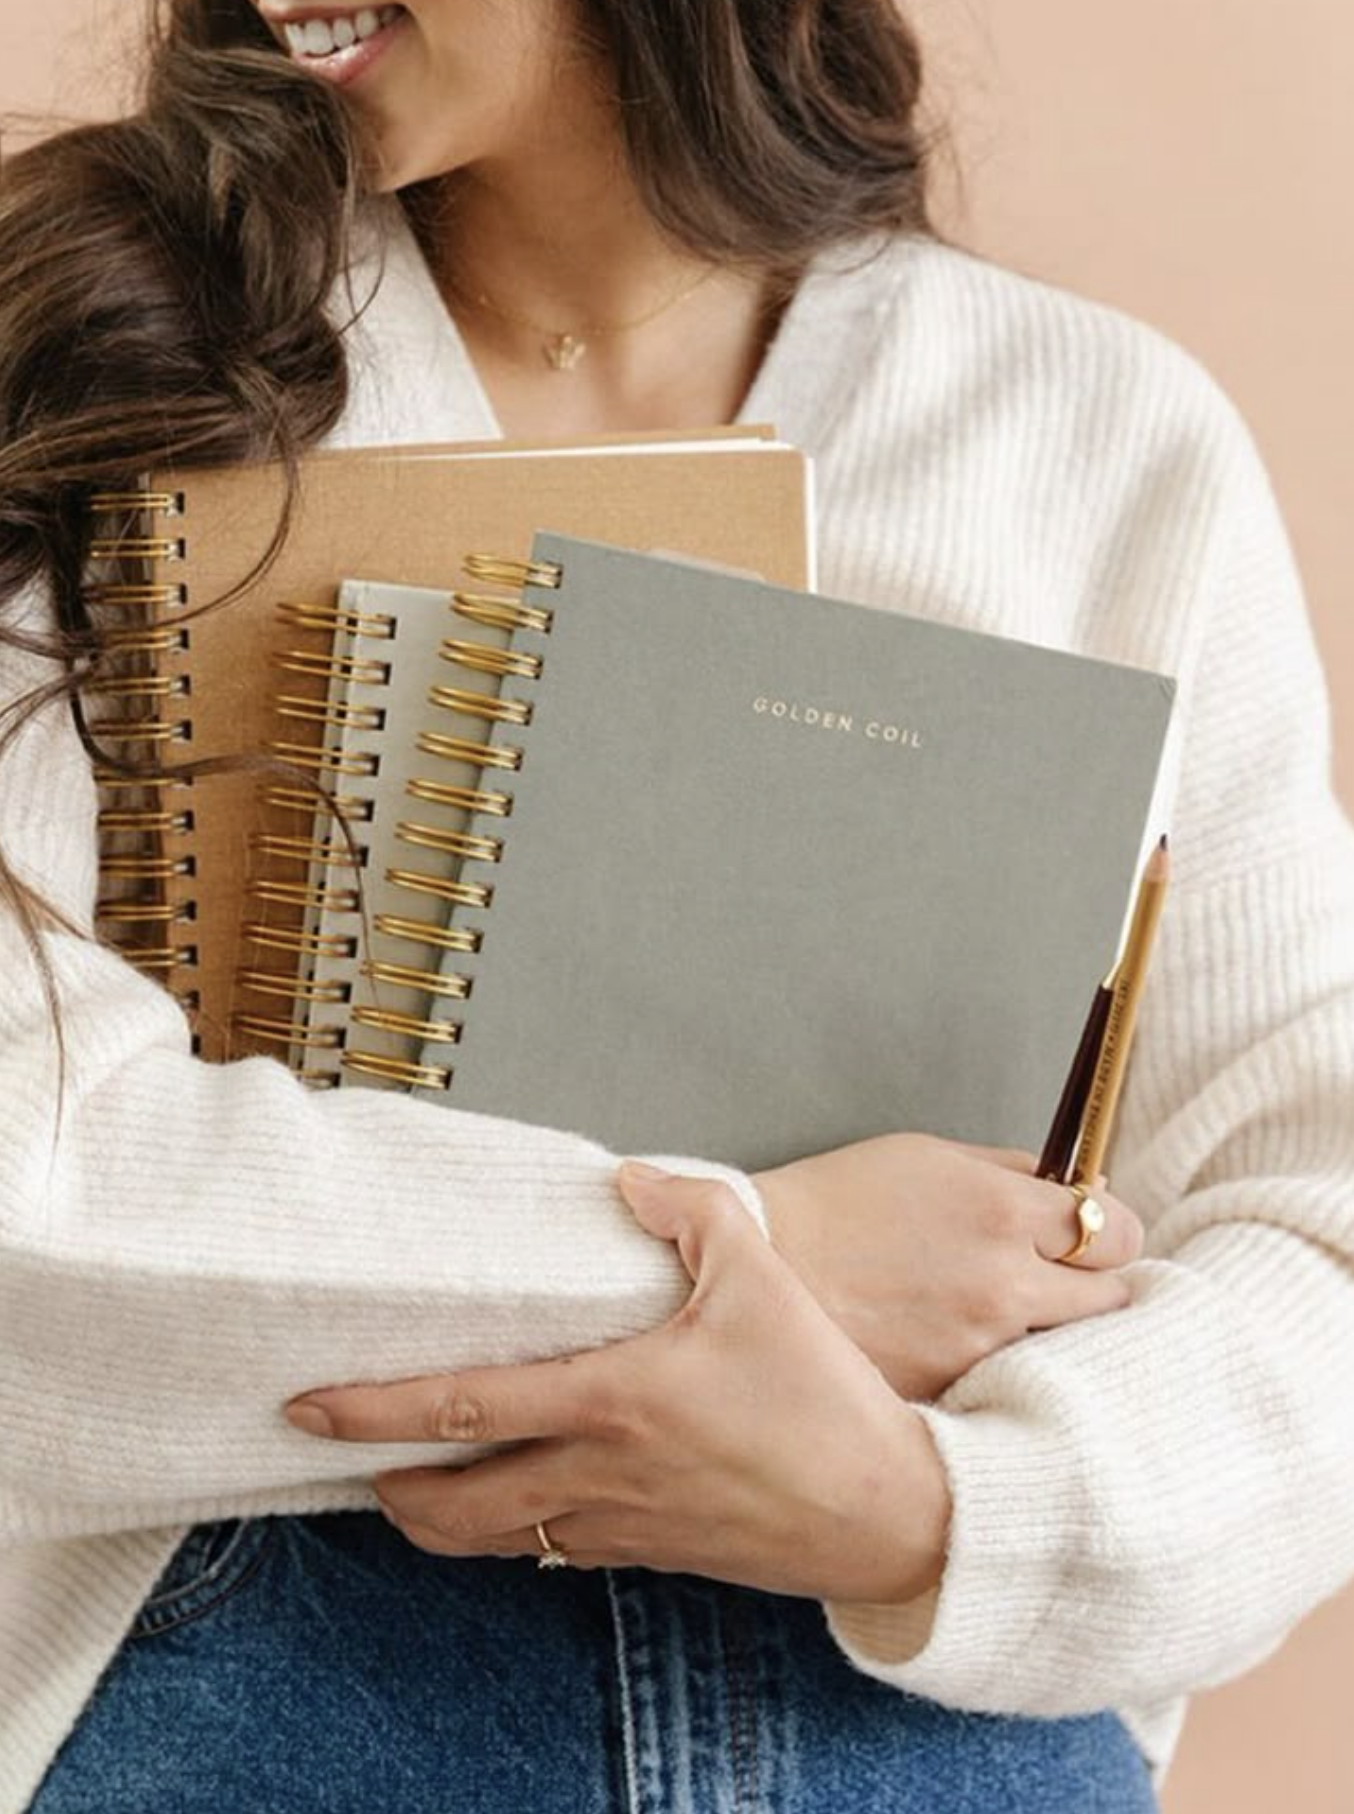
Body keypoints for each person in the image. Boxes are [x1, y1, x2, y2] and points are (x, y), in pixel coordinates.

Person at [1, 1, 1351, 1809]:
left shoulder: (1100, 440)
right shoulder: (94, 361)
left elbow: (1315, 1227)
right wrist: (758, 1258)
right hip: (267, 1664)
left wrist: (935, 1509)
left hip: (922, 1687)